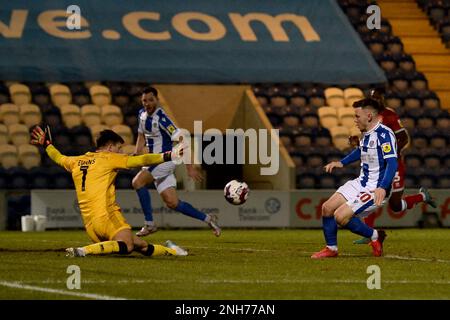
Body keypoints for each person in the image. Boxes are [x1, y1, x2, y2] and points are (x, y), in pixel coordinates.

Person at [31, 125, 188, 257]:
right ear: (110, 147)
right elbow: (142, 160)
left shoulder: (76, 161)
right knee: (127, 245)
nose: (120, 152)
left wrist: (46, 143)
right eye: (119, 148)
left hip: (91, 226)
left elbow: (58, 157)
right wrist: (169, 155)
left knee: (141, 244)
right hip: (107, 217)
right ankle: (83, 251)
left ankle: (173, 251)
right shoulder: (108, 158)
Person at [312, 98, 398, 259]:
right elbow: (361, 151)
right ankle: (331, 248)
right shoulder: (365, 133)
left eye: (357, 116)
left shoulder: (385, 134)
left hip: (376, 187)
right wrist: (341, 163)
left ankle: (374, 236)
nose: (354, 119)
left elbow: (392, 163)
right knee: (327, 208)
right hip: (361, 182)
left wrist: (382, 187)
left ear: (369, 116)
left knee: (340, 216)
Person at [131, 86, 221, 237]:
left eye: (151, 100)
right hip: (152, 161)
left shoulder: (163, 119)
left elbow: (182, 142)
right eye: (144, 100)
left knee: (137, 182)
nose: (147, 103)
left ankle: (149, 224)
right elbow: (141, 135)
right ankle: (208, 219)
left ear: (157, 100)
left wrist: (190, 168)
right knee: (172, 202)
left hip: (164, 161)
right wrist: (136, 152)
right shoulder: (141, 115)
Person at [351, 88, 436, 244]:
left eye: (377, 98)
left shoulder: (389, 115)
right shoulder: (368, 116)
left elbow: (403, 138)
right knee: (371, 194)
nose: (375, 101)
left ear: (382, 98)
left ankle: (422, 196)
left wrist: (389, 154)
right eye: (372, 99)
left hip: (393, 164)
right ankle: (369, 234)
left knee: (395, 206)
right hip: (376, 165)